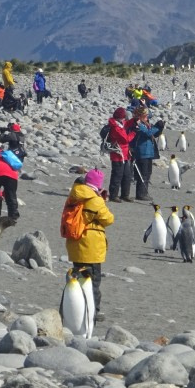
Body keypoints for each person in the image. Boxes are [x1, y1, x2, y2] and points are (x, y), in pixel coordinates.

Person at [64, 169, 114, 319]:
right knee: (92, 282)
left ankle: (75, 309)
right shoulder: (94, 199)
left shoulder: (75, 195)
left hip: (75, 243)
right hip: (90, 247)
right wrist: (101, 199)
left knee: (77, 278)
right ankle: (92, 311)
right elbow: (109, 219)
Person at [128, 106, 165, 201]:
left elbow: (154, 134)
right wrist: (157, 126)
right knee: (143, 173)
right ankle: (141, 194)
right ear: (140, 116)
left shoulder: (146, 124)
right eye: (145, 115)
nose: (146, 117)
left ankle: (144, 192)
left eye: (147, 116)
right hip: (141, 152)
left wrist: (160, 128)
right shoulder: (138, 125)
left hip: (148, 152)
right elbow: (148, 133)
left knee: (148, 173)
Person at [106, 107, 135, 202]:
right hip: (118, 155)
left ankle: (125, 194)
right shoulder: (115, 127)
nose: (124, 119)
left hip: (125, 154)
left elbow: (126, 123)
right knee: (117, 175)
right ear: (120, 117)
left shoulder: (120, 124)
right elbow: (125, 139)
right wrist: (134, 132)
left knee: (127, 174)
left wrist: (135, 119)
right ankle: (113, 195)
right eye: (124, 117)